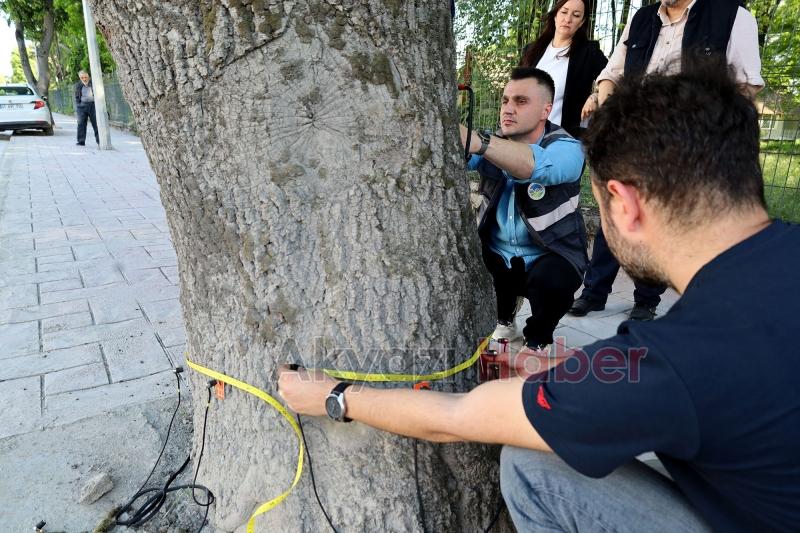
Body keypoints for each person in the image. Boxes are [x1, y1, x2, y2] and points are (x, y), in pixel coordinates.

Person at [278, 64, 800, 532]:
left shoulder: (672, 358)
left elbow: (460, 419)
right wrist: (577, 379)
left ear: (624, 204)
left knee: (534, 465)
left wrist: (336, 396)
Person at [570, 0, 765, 321]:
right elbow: (611, 74)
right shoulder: (643, 18)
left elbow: (744, 87)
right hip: (630, 136)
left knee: (662, 220)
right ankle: (594, 291)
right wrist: (609, 115)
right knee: (616, 212)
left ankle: (646, 300)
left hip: (687, 145)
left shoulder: (732, 16)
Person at [464, 67, 587, 348]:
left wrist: (478, 143)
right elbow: (456, 156)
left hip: (550, 252)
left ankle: (538, 338)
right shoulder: (493, 142)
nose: (508, 109)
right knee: (471, 260)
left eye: (521, 101)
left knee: (554, 283)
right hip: (499, 254)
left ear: (545, 110)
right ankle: (505, 320)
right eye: (505, 100)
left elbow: (536, 167)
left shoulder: (568, 148)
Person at [519, 0, 608, 138]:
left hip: (563, 140)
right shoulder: (531, 50)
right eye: (564, 12)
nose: (568, 19)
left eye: (576, 15)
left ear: (582, 22)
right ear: (555, 15)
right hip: (524, 135)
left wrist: (595, 97)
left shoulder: (589, 53)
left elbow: (613, 77)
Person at [74, 70, 99, 146]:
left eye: (86, 77)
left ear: (88, 76)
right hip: (82, 106)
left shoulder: (93, 83)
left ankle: (100, 141)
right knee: (81, 124)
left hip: (92, 106)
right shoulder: (78, 85)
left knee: (96, 123)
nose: (84, 79)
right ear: (80, 78)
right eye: (82, 77)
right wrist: (79, 104)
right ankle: (81, 141)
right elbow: (77, 95)